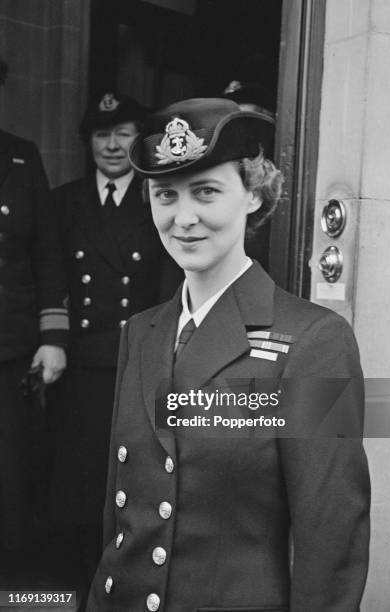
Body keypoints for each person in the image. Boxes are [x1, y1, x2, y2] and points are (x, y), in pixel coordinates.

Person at [86, 98, 370, 611]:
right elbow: (120, 516)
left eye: (207, 192)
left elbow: (331, 535)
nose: (183, 217)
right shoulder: (143, 333)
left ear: (254, 196)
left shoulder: (313, 342)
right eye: (165, 195)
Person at [47, 92, 181, 604]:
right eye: (101, 135)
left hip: (132, 358)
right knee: (78, 479)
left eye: (122, 134)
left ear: (138, 141)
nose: (110, 145)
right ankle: (72, 587)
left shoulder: (159, 199)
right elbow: (50, 274)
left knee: (125, 473)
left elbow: (167, 283)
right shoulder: (64, 200)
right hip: (77, 363)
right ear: (88, 142)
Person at [0, 57, 68, 555]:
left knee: (10, 467)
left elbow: (47, 252)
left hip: (12, 344)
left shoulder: (21, 158)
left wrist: (52, 338)